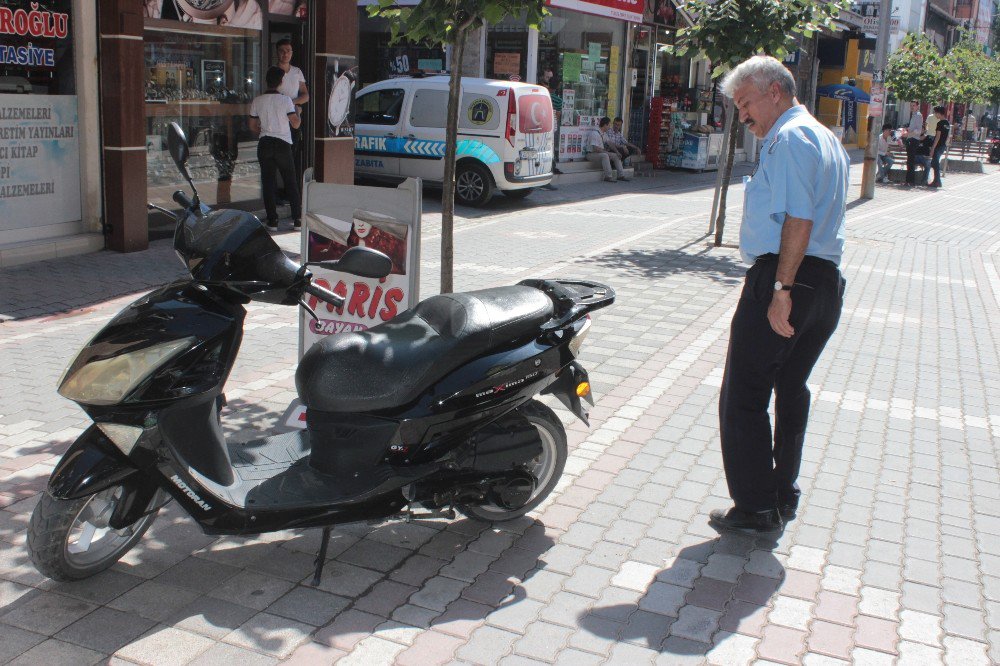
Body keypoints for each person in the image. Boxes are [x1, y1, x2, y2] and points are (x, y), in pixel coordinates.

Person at [711, 55, 848, 534]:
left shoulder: (789, 138)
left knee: (742, 395)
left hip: (789, 277)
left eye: (745, 103)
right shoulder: (824, 135)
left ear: (774, 91)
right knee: (791, 390)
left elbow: (799, 219)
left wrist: (781, 289)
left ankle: (755, 508)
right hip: (825, 284)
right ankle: (782, 494)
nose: (742, 116)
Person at [249, 66, 302, 229]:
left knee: (268, 182)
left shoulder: (257, 100)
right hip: (282, 144)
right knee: (290, 181)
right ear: (281, 82)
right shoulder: (286, 100)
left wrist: (264, 131)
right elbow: (295, 124)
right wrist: (298, 112)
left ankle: (272, 221)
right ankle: (297, 219)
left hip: (264, 143)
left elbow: (252, 125)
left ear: (267, 81)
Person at [275, 38, 309, 200]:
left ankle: (291, 194)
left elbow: (305, 95)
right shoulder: (273, 71)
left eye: (288, 51)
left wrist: (290, 102)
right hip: (276, 121)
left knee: (292, 157)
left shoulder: (297, 72)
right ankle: (277, 193)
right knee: (277, 158)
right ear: (277, 53)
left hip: (294, 120)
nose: (285, 54)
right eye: (282, 51)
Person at [585, 117, 628, 182]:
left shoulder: (603, 134)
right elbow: (596, 149)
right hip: (591, 154)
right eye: (609, 125)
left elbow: (610, 143)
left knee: (616, 156)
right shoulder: (595, 133)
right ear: (605, 125)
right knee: (605, 155)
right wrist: (607, 153)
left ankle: (621, 175)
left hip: (600, 153)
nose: (609, 127)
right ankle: (608, 176)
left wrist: (616, 152)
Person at [928, 105, 950, 188]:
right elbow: (947, 136)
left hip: (938, 145)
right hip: (943, 145)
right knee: (935, 163)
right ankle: (937, 181)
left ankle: (937, 181)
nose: (935, 115)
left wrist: (933, 148)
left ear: (939, 113)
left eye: (935, 113)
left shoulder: (940, 123)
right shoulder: (947, 123)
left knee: (935, 163)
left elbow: (937, 136)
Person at [904, 101, 924, 186]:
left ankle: (910, 181)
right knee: (909, 161)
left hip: (914, 140)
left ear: (917, 106)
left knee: (911, 161)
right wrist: (906, 130)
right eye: (911, 105)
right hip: (910, 139)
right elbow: (913, 128)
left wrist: (908, 133)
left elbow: (918, 131)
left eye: (914, 106)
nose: (912, 107)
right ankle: (909, 180)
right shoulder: (914, 115)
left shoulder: (918, 116)